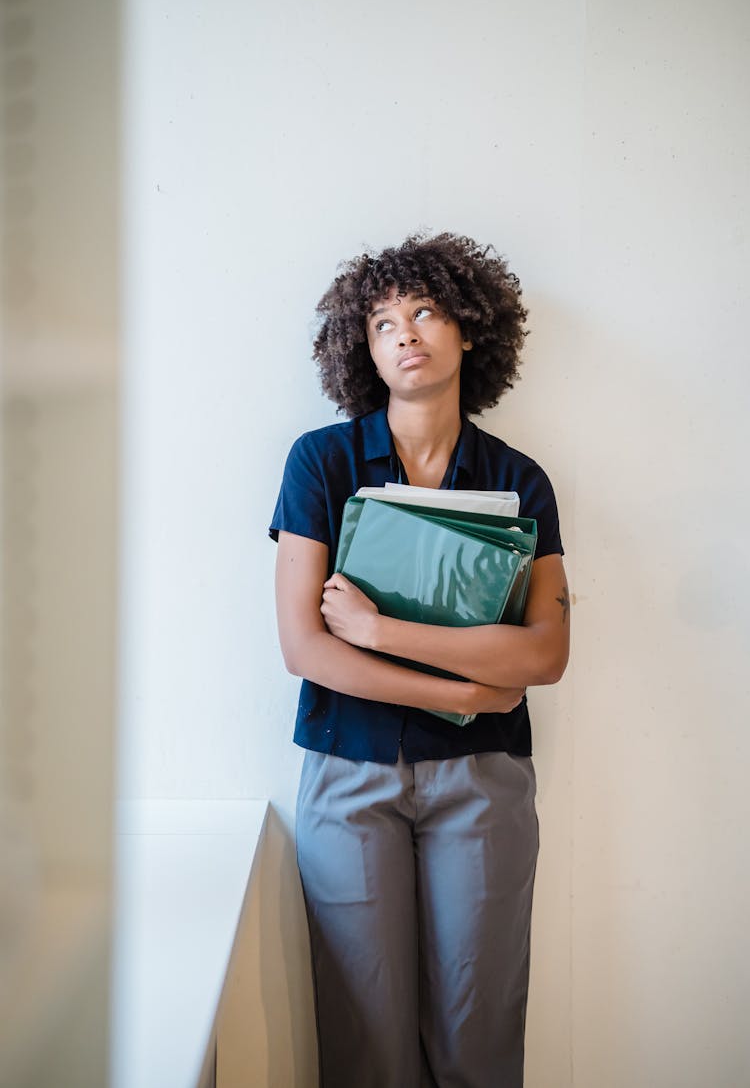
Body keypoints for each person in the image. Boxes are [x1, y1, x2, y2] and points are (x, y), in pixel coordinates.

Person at [270, 232, 570, 1088]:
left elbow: (545, 653)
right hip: (349, 776)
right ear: (361, 352)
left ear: (470, 330)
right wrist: (473, 684)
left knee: (479, 1037)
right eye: (382, 322)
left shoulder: (522, 481)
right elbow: (304, 648)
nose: (405, 332)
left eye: (426, 310)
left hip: (482, 780)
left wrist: (378, 630)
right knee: (366, 1047)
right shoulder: (321, 462)